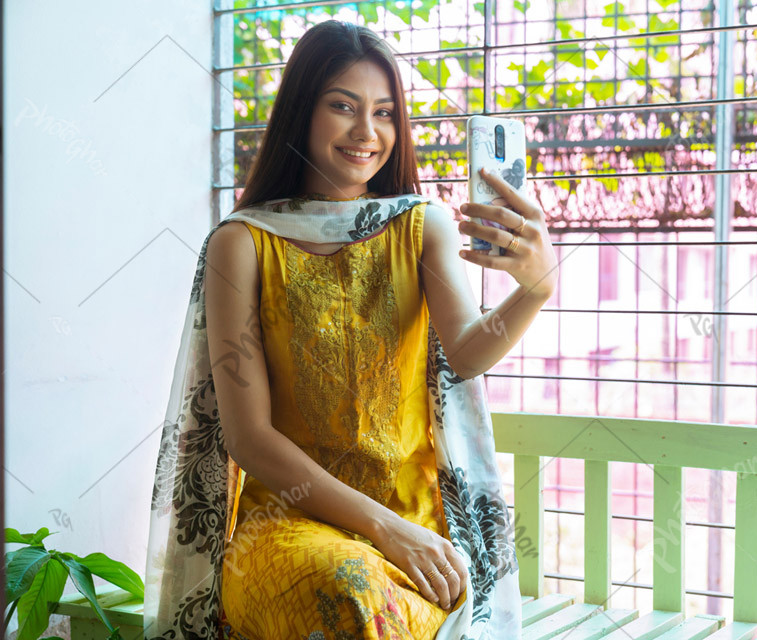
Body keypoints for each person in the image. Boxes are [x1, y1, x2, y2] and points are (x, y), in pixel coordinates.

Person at [145, 19, 558, 640]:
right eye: (344, 106)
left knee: (369, 599)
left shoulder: (423, 227)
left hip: (418, 524)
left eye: (386, 112)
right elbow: (249, 437)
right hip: (286, 529)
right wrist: (381, 530)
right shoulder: (244, 243)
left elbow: (467, 353)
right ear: (301, 112)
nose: (368, 133)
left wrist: (538, 288)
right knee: (346, 596)